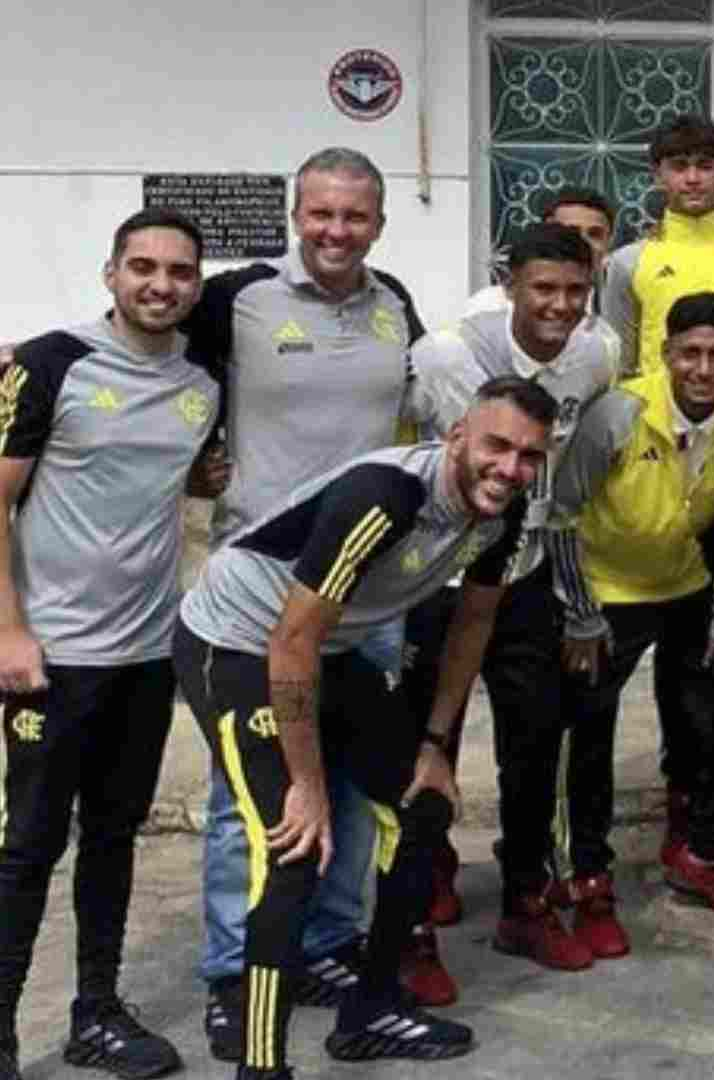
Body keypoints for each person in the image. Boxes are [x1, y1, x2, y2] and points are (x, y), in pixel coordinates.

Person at [173, 376, 555, 1078]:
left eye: (530, 455)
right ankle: (262, 1066)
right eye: (497, 446)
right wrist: (309, 786)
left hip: (330, 648)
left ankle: (371, 1009)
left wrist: (436, 746)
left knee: (422, 806)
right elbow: (290, 642)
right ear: (457, 437)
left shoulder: (506, 511)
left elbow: (473, 623)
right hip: (236, 642)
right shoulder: (385, 498)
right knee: (294, 844)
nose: (510, 468)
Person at [182, 146, 425, 1064]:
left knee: (356, 787)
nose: (336, 232)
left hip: (366, 590)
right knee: (250, 797)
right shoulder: (236, 296)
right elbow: (162, 348)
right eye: (321, 214)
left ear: (379, 223)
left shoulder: (394, 302)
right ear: (296, 213)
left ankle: (321, 947)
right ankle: (232, 971)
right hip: (258, 587)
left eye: (355, 217)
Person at [0, 209, 223, 1080]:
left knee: (113, 838)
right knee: (27, 846)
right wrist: (10, 632)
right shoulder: (54, 364)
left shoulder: (204, 382)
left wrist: (211, 476)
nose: (159, 284)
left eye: (177, 272)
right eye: (142, 267)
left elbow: (193, 472)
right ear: (111, 275)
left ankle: (96, 1011)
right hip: (48, 659)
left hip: (143, 656)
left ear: (196, 286)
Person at [403, 225, 622, 980]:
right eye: (543, 289)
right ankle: (419, 887)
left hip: (524, 577)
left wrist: (576, 594)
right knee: (426, 743)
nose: (560, 306)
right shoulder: (447, 356)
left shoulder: (600, 351)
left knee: (535, 745)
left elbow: (560, 489)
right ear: (509, 285)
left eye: (575, 290)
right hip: (438, 577)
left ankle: (526, 900)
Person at [550, 292, 714, 924]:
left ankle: (697, 851)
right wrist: (579, 611)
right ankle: (584, 868)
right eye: (690, 354)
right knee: (587, 734)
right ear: (666, 353)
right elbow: (561, 512)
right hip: (606, 596)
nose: (703, 369)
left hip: (687, 587)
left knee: (708, 724)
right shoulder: (619, 412)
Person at [602, 116, 714, 375]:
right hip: (657, 412)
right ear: (657, 174)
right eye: (679, 167)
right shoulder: (628, 261)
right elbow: (619, 364)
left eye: (704, 166)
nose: (692, 178)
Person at [466, 186, 617, 316]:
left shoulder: (616, 307)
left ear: (609, 243)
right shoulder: (493, 305)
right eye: (571, 231)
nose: (584, 243)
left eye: (595, 234)